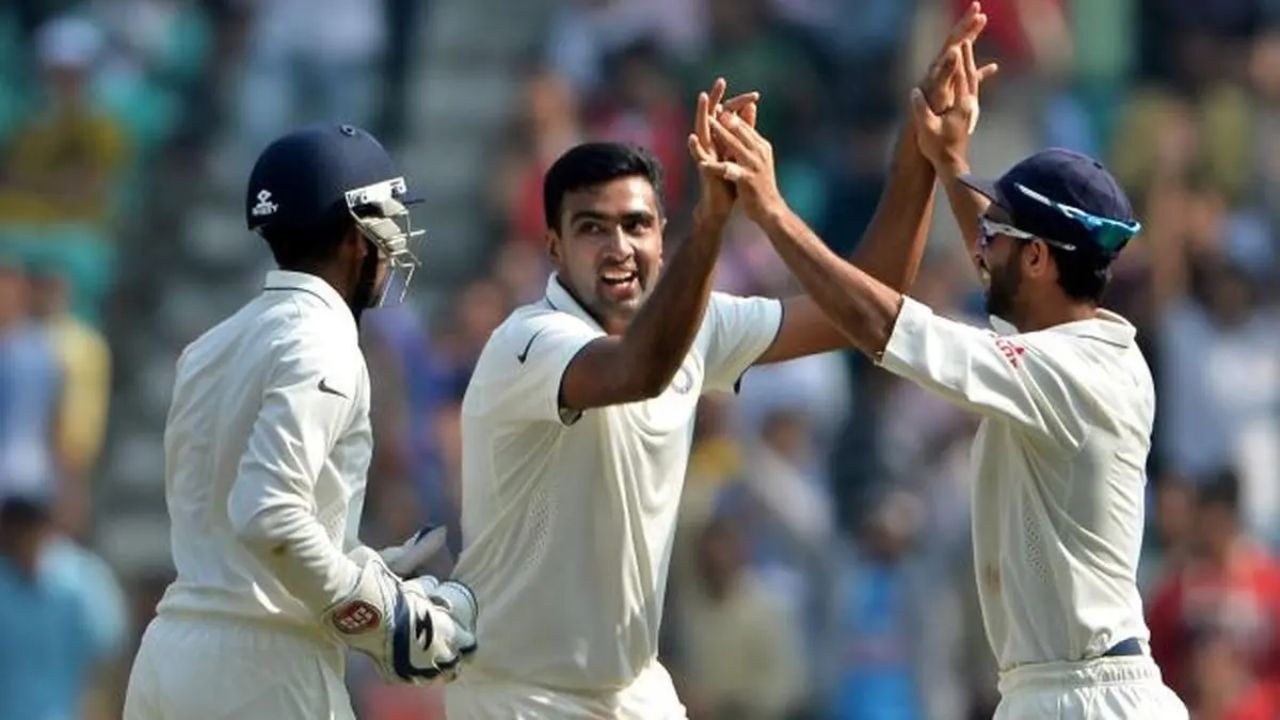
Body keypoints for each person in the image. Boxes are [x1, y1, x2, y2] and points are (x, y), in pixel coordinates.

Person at [444, 8, 996, 717]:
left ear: (660, 235)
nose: (619, 248)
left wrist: (918, 148)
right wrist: (713, 223)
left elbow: (869, 300)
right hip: (522, 694)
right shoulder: (527, 342)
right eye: (592, 229)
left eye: (637, 225)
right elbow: (638, 370)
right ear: (553, 246)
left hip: (632, 692)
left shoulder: (692, 324)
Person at [698, 21, 1189, 720]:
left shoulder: (1070, 371)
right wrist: (948, 157)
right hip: (1059, 689)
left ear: (1039, 259)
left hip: (1087, 698)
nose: (980, 247)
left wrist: (774, 213)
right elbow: (999, 275)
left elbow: (887, 328)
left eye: (998, 233)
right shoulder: (1072, 342)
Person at [123, 123, 477, 720]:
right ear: (355, 236)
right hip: (263, 670)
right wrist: (380, 617)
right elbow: (268, 514)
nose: (395, 242)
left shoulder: (211, 346)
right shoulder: (323, 340)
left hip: (169, 654)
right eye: (388, 221)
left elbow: (239, 530)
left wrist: (354, 561)